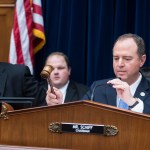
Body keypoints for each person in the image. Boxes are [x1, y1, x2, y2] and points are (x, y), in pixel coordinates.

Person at [46, 33, 150, 114]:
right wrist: (60, 105)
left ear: (142, 60)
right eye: (116, 58)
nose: (120, 64)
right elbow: (78, 118)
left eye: (127, 59)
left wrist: (132, 102)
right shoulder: (98, 88)